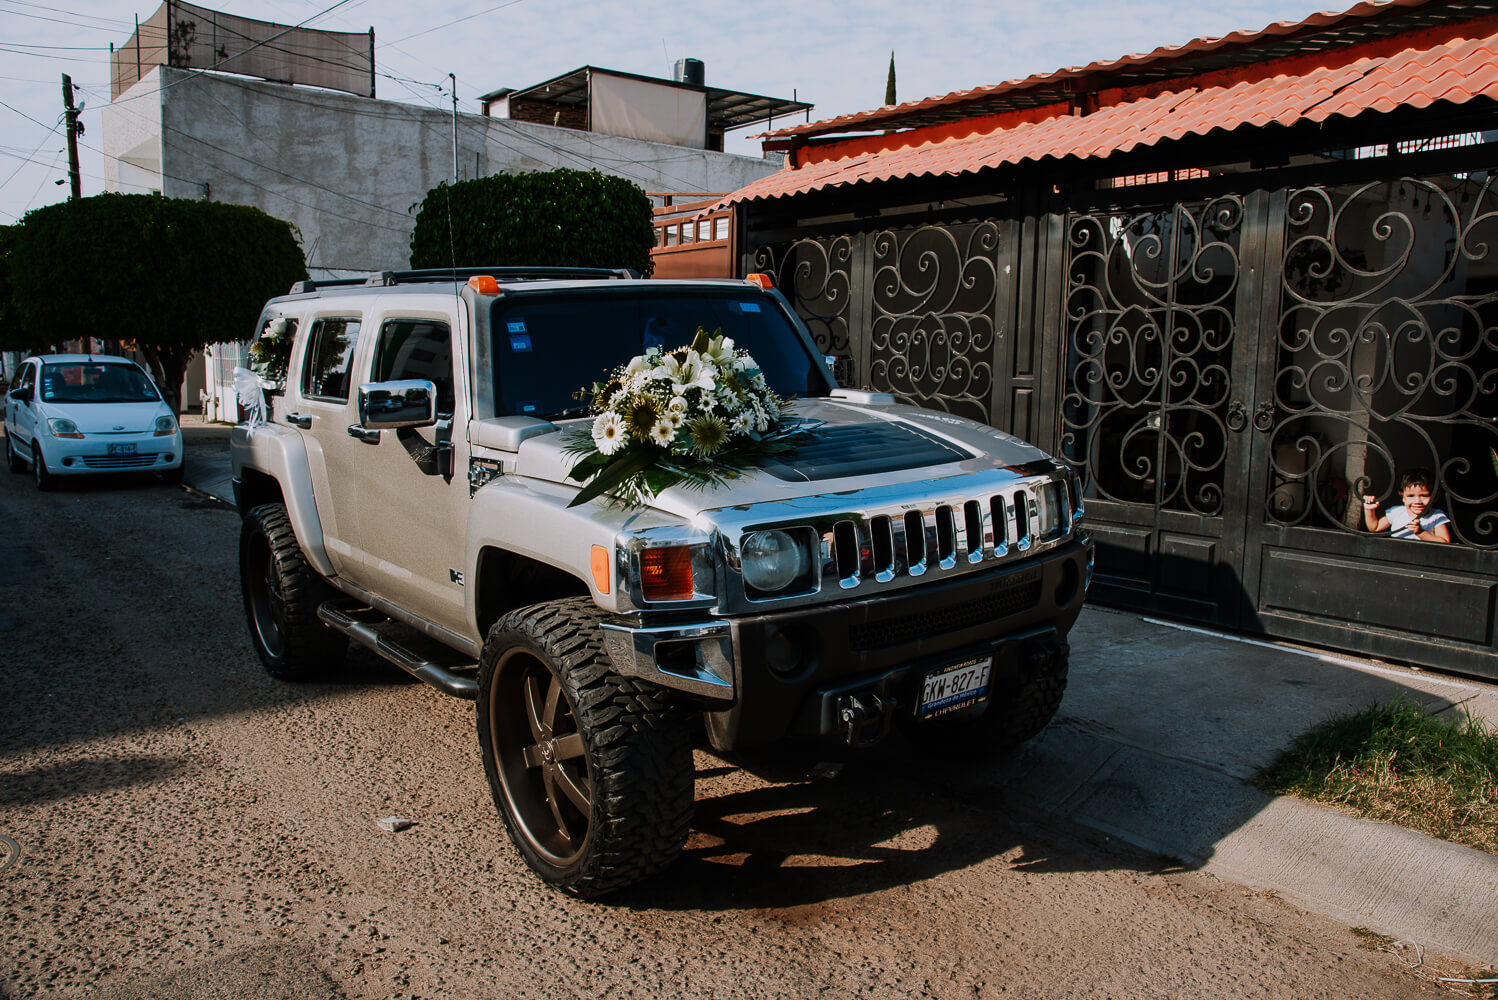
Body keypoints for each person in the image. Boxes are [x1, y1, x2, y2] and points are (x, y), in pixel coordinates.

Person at [1363, 468, 1452, 543]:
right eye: (1411, 496)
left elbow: (1444, 542)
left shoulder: (1436, 516)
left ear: (1435, 496)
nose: (1417, 501)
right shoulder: (1396, 512)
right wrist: (1369, 510)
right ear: (1403, 497)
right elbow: (1375, 528)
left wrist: (1421, 533)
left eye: (1424, 496)